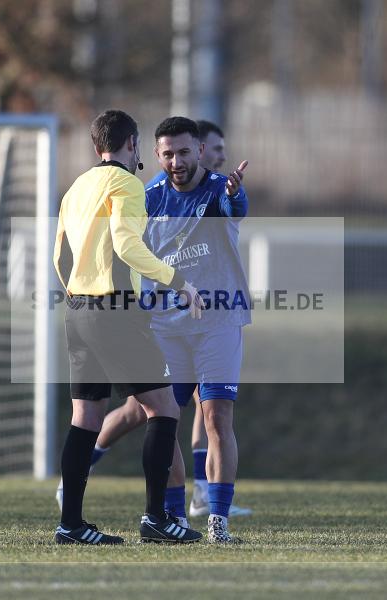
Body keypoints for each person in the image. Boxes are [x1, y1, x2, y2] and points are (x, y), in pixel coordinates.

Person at [55, 120, 253, 523]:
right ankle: (170, 514)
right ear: (150, 151)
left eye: (183, 152)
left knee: (214, 414)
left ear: (199, 151)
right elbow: (128, 248)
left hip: (216, 320)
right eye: (167, 154)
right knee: (151, 412)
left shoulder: (218, 188)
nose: (176, 162)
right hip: (163, 323)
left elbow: (235, 208)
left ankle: (216, 517)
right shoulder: (144, 195)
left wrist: (235, 194)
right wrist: (166, 287)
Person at [52, 109, 203, 545]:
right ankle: (157, 519)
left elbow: (59, 256)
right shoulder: (127, 184)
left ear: (96, 145)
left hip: (76, 310)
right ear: (133, 143)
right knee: (165, 408)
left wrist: (78, 291)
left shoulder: (77, 188)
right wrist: (178, 282)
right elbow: (126, 243)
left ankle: (71, 525)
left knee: (85, 417)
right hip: (113, 310)